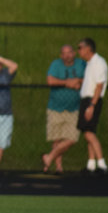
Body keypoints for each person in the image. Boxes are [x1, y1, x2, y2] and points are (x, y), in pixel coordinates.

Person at [41, 44, 85, 174]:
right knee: (57, 138)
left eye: (70, 52)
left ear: (74, 53)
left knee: (72, 138)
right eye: (64, 53)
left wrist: (78, 81)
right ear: (61, 55)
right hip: (56, 107)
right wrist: (67, 83)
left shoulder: (81, 64)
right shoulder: (56, 64)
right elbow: (50, 81)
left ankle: (49, 157)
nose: (67, 55)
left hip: (74, 108)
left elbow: (89, 78)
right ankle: (58, 167)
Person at [76, 38, 108, 174]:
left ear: (88, 49)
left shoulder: (99, 63)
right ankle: (91, 164)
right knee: (88, 131)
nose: (79, 50)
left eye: (80, 47)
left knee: (89, 133)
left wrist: (91, 105)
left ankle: (102, 164)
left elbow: (99, 86)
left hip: (92, 101)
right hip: (87, 100)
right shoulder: (89, 64)